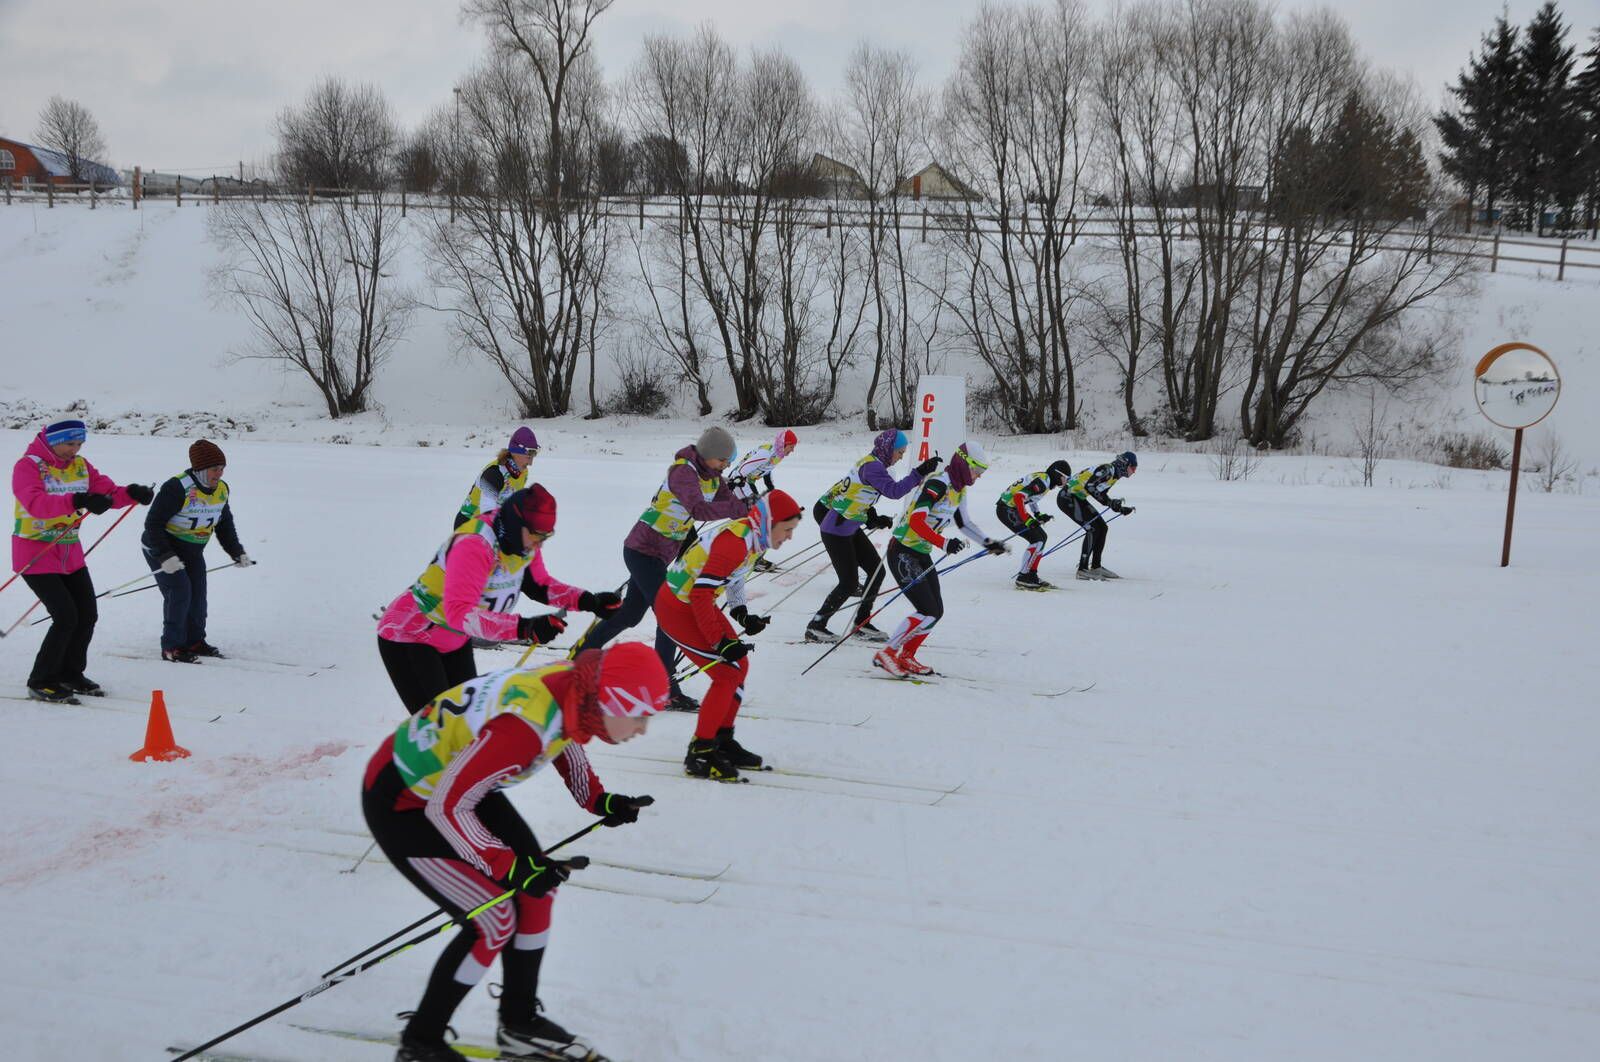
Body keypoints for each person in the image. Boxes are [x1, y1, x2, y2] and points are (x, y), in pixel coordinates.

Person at [363, 642, 668, 1062]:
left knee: (537, 890)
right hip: (406, 801)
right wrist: (506, 864)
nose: (642, 729)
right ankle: (421, 1042)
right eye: (640, 715)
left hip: (461, 783)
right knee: (493, 919)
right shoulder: (523, 729)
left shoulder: (574, 689)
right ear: (612, 702)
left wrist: (597, 799)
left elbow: (567, 734)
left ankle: (520, 1024)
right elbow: (447, 807)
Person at [377, 486, 623, 715]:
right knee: (435, 735)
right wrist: (524, 628)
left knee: (467, 723)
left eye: (545, 537)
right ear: (517, 525)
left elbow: (540, 585)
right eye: (536, 536)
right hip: (411, 634)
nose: (539, 544)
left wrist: (589, 601)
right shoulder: (474, 544)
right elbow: (459, 613)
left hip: (453, 639)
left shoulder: (521, 543)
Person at [565, 427, 747, 713]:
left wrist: (751, 507)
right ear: (709, 455)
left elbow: (730, 504)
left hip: (659, 556)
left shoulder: (714, 478)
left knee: (631, 614)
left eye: (728, 461)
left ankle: (583, 651)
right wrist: (736, 509)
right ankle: (665, 689)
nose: (726, 465)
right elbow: (698, 510)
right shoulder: (683, 472)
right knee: (669, 616)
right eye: (723, 460)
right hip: (641, 550)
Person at [653, 490, 804, 781]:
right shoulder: (734, 543)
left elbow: (734, 577)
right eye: (787, 530)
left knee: (739, 666)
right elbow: (700, 593)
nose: (789, 537)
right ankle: (700, 752)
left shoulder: (752, 537)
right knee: (726, 673)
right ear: (769, 522)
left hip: (695, 603)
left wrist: (741, 613)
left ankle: (722, 740)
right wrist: (719, 642)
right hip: (677, 606)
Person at [11, 419, 153, 702]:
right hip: (35, 553)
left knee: (87, 614)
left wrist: (132, 494)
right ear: (53, 441)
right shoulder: (28, 466)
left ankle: (70, 673)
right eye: (69, 444)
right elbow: (35, 504)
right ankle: (42, 679)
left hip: (69, 553)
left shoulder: (80, 466)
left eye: (79, 444)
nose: (74, 450)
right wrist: (78, 501)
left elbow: (108, 493)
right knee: (65, 616)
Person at [873, 442, 1006, 679]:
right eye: (977, 470)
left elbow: (964, 523)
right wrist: (944, 543)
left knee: (936, 611)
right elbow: (916, 521)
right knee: (927, 610)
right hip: (902, 551)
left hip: (920, 552)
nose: (978, 476)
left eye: (982, 472)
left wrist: (988, 543)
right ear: (964, 463)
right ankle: (887, 653)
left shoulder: (959, 489)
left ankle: (906, 656)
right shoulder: (937, 484)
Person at [806, 429, 940, 643]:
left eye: (903, 453)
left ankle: (862, 623)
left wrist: (874, 518)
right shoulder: (873, 467)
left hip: (848, 528)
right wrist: (919, 472)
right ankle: (816, 626)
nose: (901, 457)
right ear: (888, 449)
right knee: (848, 583)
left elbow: (859, 496)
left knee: (876, 571)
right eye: (899, 452)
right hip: (835, 531)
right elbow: (894, 492)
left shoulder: (873, 463)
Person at [141, 439, 253, 663]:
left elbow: (224, 523)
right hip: (162, 548)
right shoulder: (177, 487)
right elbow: (153, 525)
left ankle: (194, 641)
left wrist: (236, 552)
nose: (219, 474)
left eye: (222, 468)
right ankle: (172, 646)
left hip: (192, 552)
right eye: (214, 469)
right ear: (200, 468)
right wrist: (166, 556)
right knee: (180, 591)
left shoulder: (221, 490)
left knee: (198, 597)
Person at [1057, 451, 1137, 580]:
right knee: (1092, 529)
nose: (1133, 472)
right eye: (1132, 468)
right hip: (1067, 497)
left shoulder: (1114, 476)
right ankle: (1082, 569)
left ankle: (1096, 566)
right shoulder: (1107, 469)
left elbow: (1102, 495)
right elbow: (1090, 486)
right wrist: (1111, 503)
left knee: (1102, 527)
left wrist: (1119, 508)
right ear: (1124, 464)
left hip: (1077, 497)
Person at [995, 459, 1073, 590]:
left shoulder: (1045, 479)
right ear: (1057, 474)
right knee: (1037, 539)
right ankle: (1024, 577)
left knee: (1041, 537)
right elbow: (1019, 497)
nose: (1066, 481)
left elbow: (1030, 498)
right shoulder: (1043, 482)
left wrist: (1037, 515)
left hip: (1011, 508)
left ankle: (1031, 575)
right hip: (1007, 509)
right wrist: (1027, 519)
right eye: (1065, 478)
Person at [729, 429, 797, 572]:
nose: (792, 451)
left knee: (760, 518)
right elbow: (741, 471)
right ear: (785, 444)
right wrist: (740, 489)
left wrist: (769, 484)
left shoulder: (778, 454)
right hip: (739, 482)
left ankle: (751, 556)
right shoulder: (766, 453)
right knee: (759, 519)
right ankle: (752, 559)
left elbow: (767, 468)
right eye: (791, 447)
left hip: (748, 482)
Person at [455, 426, 539, 529]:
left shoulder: (523, 473)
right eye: (528, 457)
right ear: (515, 452)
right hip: (468, 524)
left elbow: (512, 505)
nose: (530, 463)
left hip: (490, 525)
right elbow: (487, 512)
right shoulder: (494, 473)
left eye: (533, 456)